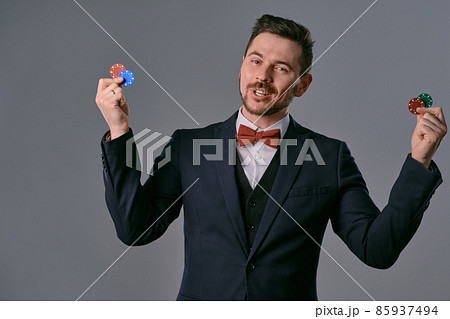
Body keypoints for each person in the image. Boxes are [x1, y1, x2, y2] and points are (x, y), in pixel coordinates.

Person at [95, 14, 447, 300]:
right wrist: (119, 129)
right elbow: (136, 230)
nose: (262, 77)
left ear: (303, 85)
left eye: (281, 68)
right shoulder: (188, 145)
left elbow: (377, 249)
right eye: (256, 61)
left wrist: (420, 160)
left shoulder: (330, 156)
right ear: (242, 66)